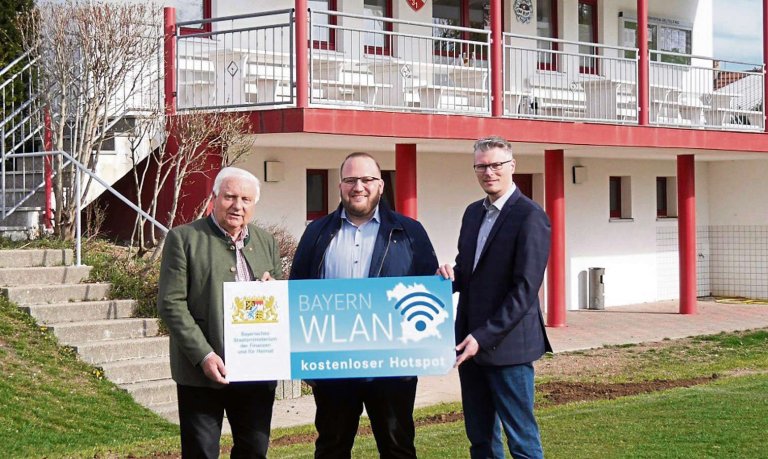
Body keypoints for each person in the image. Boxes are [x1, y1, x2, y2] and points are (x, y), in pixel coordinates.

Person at [290, 152, 439, 459]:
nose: (359, 186)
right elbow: (298, 292)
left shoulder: (410, 232)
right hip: (332, 366)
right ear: (340, 185)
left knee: (398, 448)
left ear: (381, 185)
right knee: (331, 447)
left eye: (367, 179)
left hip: (392, 369)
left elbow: (429, 291)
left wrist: (443, 280)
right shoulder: (316, 233)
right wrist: (302, 358)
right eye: (350, 180)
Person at [438, 136, 552, 459]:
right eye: (481, 166)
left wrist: (483, 337)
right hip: (468, 349)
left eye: (496, 165)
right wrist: (447, 278)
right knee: (481, 442)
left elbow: (524, 290)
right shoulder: (473, 214)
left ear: (512, 166)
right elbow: (468, 270)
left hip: (509, 350)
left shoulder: (531, 216)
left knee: (523, 443)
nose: (489, 172)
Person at [158, 167, 282, 459]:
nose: (237, 205)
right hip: (202, 371)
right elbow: (171, 303)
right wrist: (204, 355)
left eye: (246, 199)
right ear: (214, 198)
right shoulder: (183, 239)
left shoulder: (267, 242)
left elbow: (276, 301)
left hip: (256, 370)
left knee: (254, 450)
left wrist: (274, 289)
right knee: (201, 451)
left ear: (254, 204)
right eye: (230, 196)